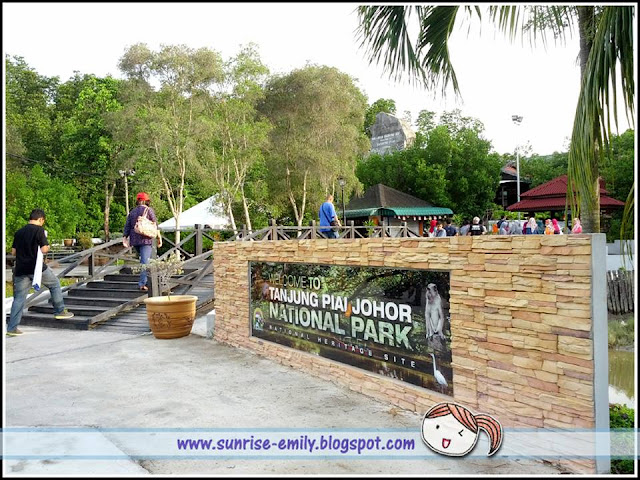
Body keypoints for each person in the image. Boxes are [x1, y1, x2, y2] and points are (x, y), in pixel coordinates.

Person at [8, 209, 74, 336]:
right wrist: (47, 246)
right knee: (54, 284)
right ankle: (59, 311)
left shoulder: (19, 232)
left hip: (21, 269)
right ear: (41, 219)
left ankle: (12, 328)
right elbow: (44, 249)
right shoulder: (39, 231)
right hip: (37, 268)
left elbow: (13, 252)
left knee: (19, 299)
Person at [123, 192, 162, 291]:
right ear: (146, 200)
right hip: (146, 239)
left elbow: (127, 226)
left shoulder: (132, 212)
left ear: (138, 200)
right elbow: (154, 225)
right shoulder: (148, 210)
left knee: (144, 260)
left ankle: (149, 280)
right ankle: (142, 283)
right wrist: (159, 237)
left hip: (135, 240)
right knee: (145, 262)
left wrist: (125, 238)